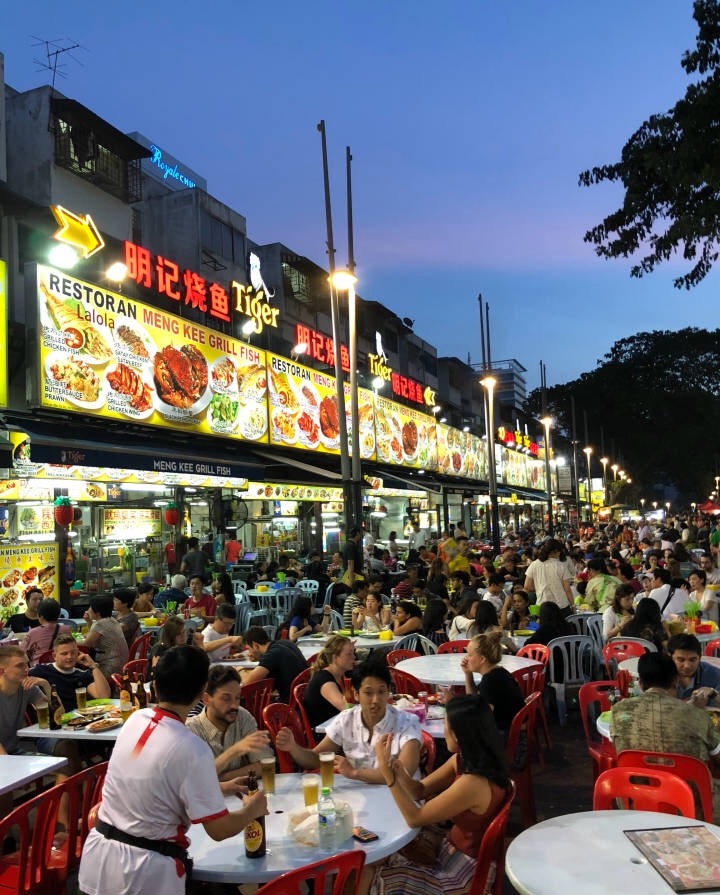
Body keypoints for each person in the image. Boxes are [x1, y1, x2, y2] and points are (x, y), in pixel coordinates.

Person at [78, 646, 268, 895]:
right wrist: (251, 809)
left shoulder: (135, 719)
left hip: (98, 860)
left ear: (155, 686)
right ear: (202, 693)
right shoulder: (191, 747)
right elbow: (220, 830)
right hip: (143, 875)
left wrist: (219, 787)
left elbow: (152, 783)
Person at [366, 694, 511, 895]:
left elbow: (414, 818)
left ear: (459, 734)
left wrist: (387, 774)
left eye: (445, 724)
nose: (443, 730)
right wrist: (400, 773)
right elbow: (420, 791)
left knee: (367, 873)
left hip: (463, 873)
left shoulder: (474, 782)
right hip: (451, 849)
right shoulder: (467, 760)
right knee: (378, 859)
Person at [610, 651, 720, 822]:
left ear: (640, 682)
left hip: (634, 800)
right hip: (691, 806)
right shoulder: (698, 716)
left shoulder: (619, 712)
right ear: (675, 680)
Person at [275, 660, 421, 783]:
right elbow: (316, 759)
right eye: (368, 693)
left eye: (382, 692)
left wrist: (354, 773)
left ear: (389, 692)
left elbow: (404, 773)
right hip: (361, 797)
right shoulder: (347, 719)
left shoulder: (407, 722)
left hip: (401, 799)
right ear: (356, 694)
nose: (375, 700)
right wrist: (293, 747)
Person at [186, 665, 273, 781]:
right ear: (206, 699)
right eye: (226, 699)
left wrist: (220, 778)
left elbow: (264, 765)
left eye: (237, 698)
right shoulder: (191, 730)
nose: (234, 705)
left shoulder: (242, 717)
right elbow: (195, 780)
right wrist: (235, 751)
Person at [461, 632, 524, 737]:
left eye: (470, 654)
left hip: (507, 736)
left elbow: (483, 720)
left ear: (482, 659)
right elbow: (473, 698)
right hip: (512, 730)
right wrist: (468, 674)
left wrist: (452, 703)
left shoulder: (490, 682)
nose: (466, 658)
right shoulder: (497, 672)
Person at [33, 633, 110, 709]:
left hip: (80, 717)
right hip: (54, 718)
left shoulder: (83, 674)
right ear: (54, 656)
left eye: (73, 653)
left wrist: (93, 666)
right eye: (64, 654)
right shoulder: (41, 670)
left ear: (78, 653)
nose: (69, 657)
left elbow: (104, 696)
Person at [0, 645, 51, 755]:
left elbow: (55, 716)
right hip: (5, 757)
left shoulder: (27, 687)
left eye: (27, 664)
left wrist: (45, 685)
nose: (27, 669)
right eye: (20, 666)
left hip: (14, 752)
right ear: (1, 670)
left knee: (59, 765)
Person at [241, 626, 307, 703]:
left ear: (255, 645)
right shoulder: (286, 642)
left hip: (291, 703)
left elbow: (247, 684)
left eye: (249, 649)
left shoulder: (271, 655)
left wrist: (240, 670)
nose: (249, 653)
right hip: (303, 695)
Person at [303, 635, 356, 728]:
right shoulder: (324, 679)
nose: (354, 657)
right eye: (349, 654)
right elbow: (346, 708)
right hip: (323, 735)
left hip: (338, 727)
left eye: (353, 653)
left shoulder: (343, 675)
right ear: (335, 657)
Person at [82, 594, 129, 680]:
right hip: (122, 664)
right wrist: (89, 622)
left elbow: (85, 645)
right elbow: (93, 636)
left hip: (110, 668)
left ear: (98, 613)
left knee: (82, 675)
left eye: (90, 607)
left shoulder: (100, 624)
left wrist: (70, 639)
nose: (88, 610)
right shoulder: (111, 620)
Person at [523, 538, 574, 616]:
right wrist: (573, 605)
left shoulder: (534, 564)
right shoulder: (561, 566)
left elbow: (527, 586)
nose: (560, 554)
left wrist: (540, 587)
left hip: (542, 605)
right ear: (556, 551)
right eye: (559, 551)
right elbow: (567, 589)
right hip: (561, 605)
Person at [667, 633, 720, 705]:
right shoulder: (660, 674)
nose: (687, 666)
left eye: (692, 660)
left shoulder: (714, 674)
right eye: (681, 660)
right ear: (670, 658)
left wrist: (713, 694)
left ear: (700, 657)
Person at [23, 598, 71, 666]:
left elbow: (22, 652)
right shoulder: (66, 630)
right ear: (58, 615)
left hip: (39, 670)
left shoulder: (32, 633)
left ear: (40, 616)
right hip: (60, 667)